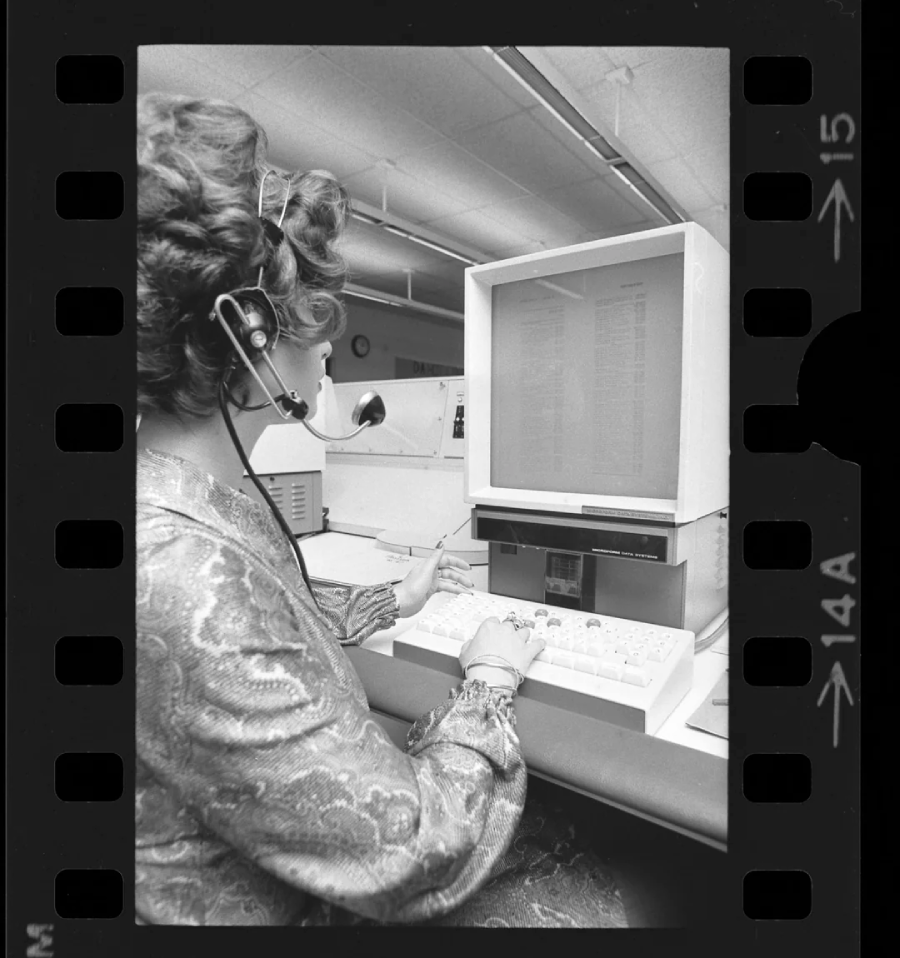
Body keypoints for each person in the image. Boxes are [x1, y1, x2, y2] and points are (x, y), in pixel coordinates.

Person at [135, 92, 629, 927]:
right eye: (313, 309)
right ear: (250, 331)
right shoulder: (177, 567)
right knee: (608, 891)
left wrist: (392, 601)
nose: (329, 340)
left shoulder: (183, 507)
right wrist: (488, 682)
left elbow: (261, 623)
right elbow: (411, 851)